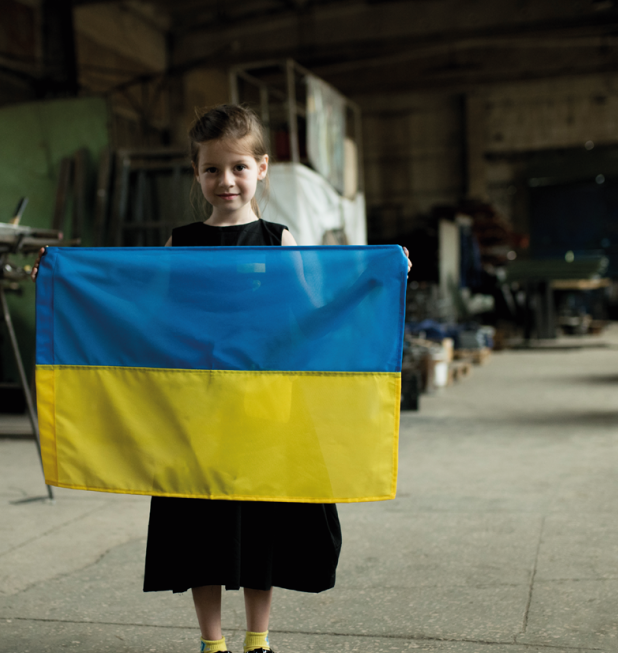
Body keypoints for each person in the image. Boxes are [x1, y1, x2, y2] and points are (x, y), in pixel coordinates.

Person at [33, 104, 410, 653]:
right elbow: (147, 316)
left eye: (238, 167)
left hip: (266, 409)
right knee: (199, 527)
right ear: (197, 173)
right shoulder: (180, 244)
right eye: (212, 169)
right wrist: (64, 277)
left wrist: (380, 276)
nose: (225, 180)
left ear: (262, 168)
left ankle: (258, 640)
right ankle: (212, 643)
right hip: (198, 410)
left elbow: (310, 315)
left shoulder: (279, 241)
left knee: (262, 525)